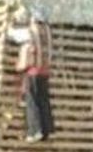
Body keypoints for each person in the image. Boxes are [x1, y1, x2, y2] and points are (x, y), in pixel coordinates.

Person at [6, 8, 56, 141]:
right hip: (44, 72)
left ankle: (35, 131)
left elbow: (11, 34)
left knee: (32, 101)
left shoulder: (30, 32)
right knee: (44, 101)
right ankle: (46, 131)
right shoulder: (47, 33)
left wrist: (10, 23)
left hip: (33, 72)